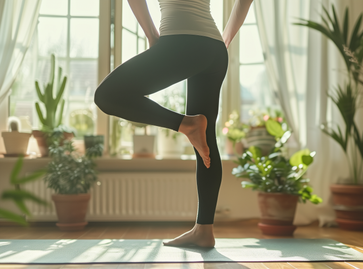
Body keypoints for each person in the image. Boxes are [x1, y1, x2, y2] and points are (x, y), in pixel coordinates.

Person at [94, 0, 253, 247]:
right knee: (206, 141)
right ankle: (204, 230)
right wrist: (225, 39)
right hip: (213, 49)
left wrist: (152, 36)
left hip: (180, 41)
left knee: (107, 95)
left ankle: (185, 124)